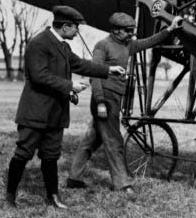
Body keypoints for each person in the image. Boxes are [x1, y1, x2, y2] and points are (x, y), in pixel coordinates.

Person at [4, 5, 126, 209]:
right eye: (76, 27)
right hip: (35, 112)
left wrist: (109, 70)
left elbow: (80, 65)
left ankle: (52, 196)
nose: (78, 32)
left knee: (51, 155)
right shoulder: (39, 43)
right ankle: (10, 196)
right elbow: (39, 75)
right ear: (66, 26)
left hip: (56, 113)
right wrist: (70, 85)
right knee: (23, 153)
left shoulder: (63, 46)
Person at [66, 12, 183, 196]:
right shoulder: (102, 46)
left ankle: (74, 178)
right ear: (115, 30)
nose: (131, 35)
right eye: (128, 31)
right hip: (104, 99)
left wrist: (170, 29)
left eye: (132, 31)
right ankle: (121, 184)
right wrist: (101, 102)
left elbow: (149, 41)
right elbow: (95, 75)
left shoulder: (127, 45)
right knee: (114, 141)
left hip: (114, 98)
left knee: (92, 139)